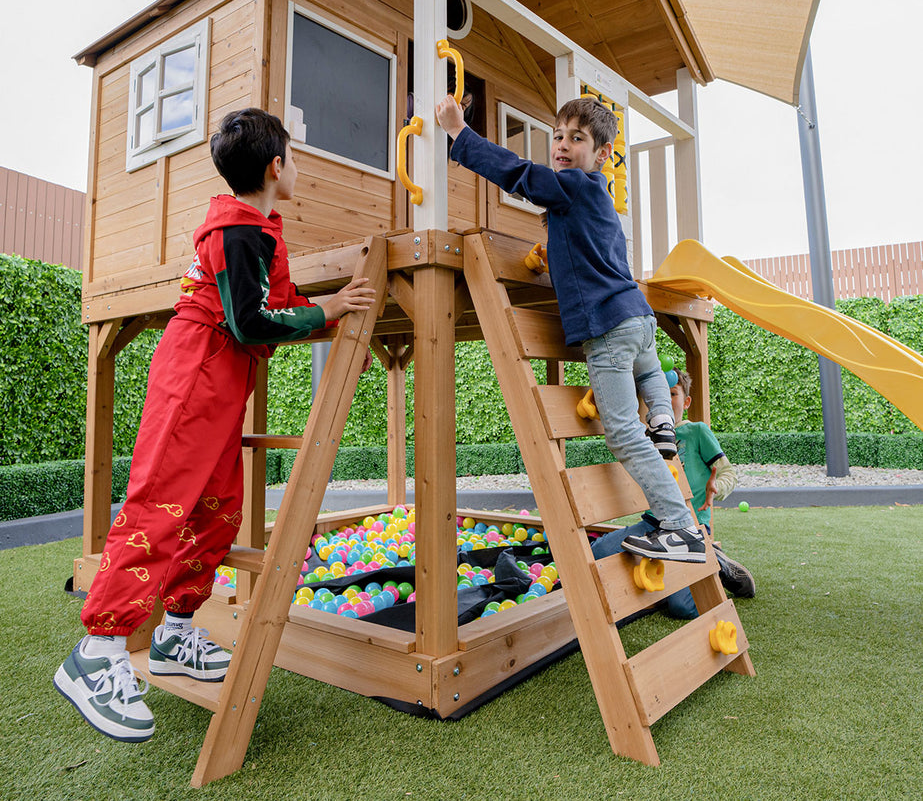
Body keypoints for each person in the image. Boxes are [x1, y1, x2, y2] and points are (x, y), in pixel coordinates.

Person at [54, 108, 376, 742]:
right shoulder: (236, 231)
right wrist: (329, 307)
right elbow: (251, 322)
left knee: (219, 503)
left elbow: (273, 306)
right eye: (294, 157)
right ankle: (96, 651)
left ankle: (175, 632)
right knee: (163, 501)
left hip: (220, 375)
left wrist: (331, 313)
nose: (297, 167)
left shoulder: (258, 227)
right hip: (196, 371)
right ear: (276, 167)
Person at [436, 93, 703, 563]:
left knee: (622, 435)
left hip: (609, 330)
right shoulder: (598, 203)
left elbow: (517, 173)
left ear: (600, 154)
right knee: (647, 373)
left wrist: (461, 133)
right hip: (639, 319)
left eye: (576, 139)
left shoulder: (574, 185)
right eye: (557, 136)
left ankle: (681, 527)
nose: (561, 145)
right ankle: (663, 420)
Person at [591, 369, 756, 618]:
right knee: (598, 552)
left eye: (672, 394)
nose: (665, 401)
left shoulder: (697, 432)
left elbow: (728, 474)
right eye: (657, 397)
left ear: (686, 402)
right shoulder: (645, 439)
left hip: (691, 529)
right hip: (653, 525)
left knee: (681, 607)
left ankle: (717, 563)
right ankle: (686, 566)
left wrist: (716, 487)